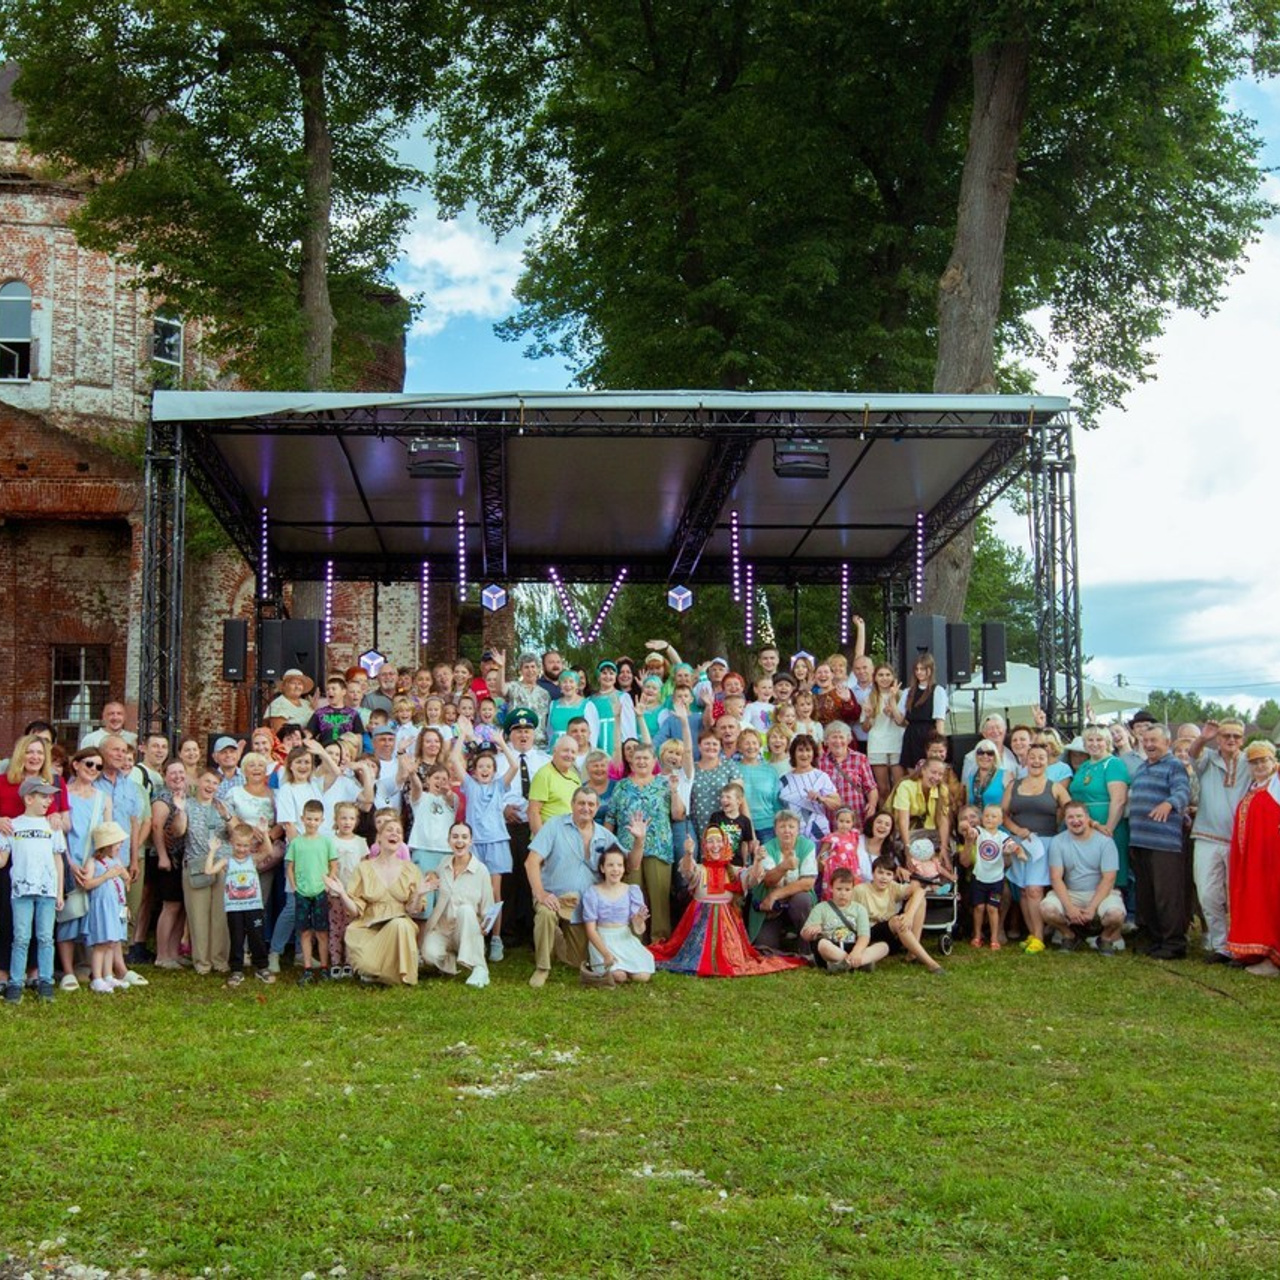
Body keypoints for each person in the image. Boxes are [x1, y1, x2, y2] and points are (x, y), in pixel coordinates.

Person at [649, 827, 807, 977]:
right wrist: (689, 853)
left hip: (728, 926)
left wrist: (758, 860)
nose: (715, 845)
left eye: (718, 841)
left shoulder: (734, 870)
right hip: (698, 923)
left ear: (725, 844)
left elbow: (752, 879)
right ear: (704, 845)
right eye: (710, 841)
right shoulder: (700, 869)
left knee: (731, 958)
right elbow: (688, 872)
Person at [525, 786, 630, 989]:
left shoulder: (604, 836)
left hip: (583, 906)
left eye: (591, 804)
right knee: (546, 914)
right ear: (572, 804)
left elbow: (630, 864)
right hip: (555, 897)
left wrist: (640, 841)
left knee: (576, 961)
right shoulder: (554, 826)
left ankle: (554, 942)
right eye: (581, 803)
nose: (586, 808)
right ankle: (542, 968)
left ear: (597, 807)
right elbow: (531, 862)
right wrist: (541, 893)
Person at [448, 723, 518, 963]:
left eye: (489, 767)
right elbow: (454, 759)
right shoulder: (470, 786)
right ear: (474, 771)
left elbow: (515, 765)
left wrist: (501, 744)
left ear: (493, 770)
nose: (485, 770)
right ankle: (474, 936)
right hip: (475, 845)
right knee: (473, 891)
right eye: (480, 767)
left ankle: (496, 938)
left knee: (495, 892)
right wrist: (463, 736)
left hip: (497, 842)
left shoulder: (499, 786)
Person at [323, 836, 430, 986]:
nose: (393, 834)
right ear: (379, 838)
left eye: (398, 831)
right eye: (389, 831)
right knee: (366, 965)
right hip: (369, 925)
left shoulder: (411, 869)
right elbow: (355, 911)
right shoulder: (363, 868)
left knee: (400, 924)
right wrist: (342, 894)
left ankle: (400, 975)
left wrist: (419, 894)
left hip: (399, 926)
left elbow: (413, 910)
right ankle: (376, 972)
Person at [1188, 720, 1251, 964]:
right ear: (1218, 738)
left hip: (1239, 839)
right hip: (1207, 835)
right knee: (1207, 892)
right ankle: (1220, 944)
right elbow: (1192, 755)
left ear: (1243, 739)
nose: (1231, 740)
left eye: (1236, 736)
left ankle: (1241, 944)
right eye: (1226, 735)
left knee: (1238, 895)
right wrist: (1203, 737)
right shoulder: (1208, 759)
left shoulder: (1249, 761)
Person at [1128, 724, 1192, 960]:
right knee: (1148, 895)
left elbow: (1183, 792)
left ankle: (1174, 943)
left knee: (1167, 895)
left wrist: (1169, 804)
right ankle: (1157, 939)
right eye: (1145, 741)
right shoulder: (1144, 766)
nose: (1149, 745)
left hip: (1163, 844)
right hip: (1141, 841)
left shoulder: (1174, 765)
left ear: (1167, 742)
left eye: (1154, 740)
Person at [0, 777, 66, 1003]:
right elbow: (3, 859)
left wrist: (58, 892)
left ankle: (46, 981)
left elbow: (58, 860)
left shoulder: (52, 826)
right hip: (21, 892)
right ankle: (15, 983)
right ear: (28, 798)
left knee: (46, 937)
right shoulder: (13, 825)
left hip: (47, 891)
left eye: (50, 796)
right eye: (44, 796)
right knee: (21, 937)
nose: (49, 801)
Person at [1002, 743, 1069, 955]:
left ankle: (1039, 936)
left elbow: (1071, 809)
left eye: (1042, 757)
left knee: (1034, 889)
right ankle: (1032, 934)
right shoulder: (1014, 785)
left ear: (1048, 761)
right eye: (1033, 757)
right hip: (1020, 843)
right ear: (1026, 760)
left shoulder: (1055, 787)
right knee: (1023, 889)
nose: (1037, 761)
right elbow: (1003, 813)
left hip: (1044, 843)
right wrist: (1016, 829)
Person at [606, 743, 676, 943]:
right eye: (638, 758)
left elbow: (678, 814)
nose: (642, 762)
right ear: (631, 762)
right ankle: (634, 939)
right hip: (628, 848)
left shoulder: (664, 784)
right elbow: (611, 817)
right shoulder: (622, 786)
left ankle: (659, 940)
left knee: (659, 896)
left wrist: (675, 791)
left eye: (646, 758)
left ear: (654, 761)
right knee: (632, 896)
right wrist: (607, 847)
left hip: (658, 846)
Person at [1041, 801, 1126, 952]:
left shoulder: (1105, 842)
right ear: (1065, 820)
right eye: (1070, 817)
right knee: (1047, 909)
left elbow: (1109, 879)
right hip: (1071, 892)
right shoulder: (1058, 841)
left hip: (1100, 893)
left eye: (1079, 816)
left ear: (1088, 818)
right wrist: (1069, 907)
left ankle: (1105, 939)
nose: (1075, 821)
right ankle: (1069, 936)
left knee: (1116, 915)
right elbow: (1056, 878)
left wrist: (1092, 908)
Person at [1226, 741, 1280, 976]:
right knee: (1256, 902)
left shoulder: (1277, 783)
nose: (1259, 765)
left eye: (1264, 760)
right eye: (1254, 761)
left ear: (1273, 760)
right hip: (1252, 860)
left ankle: (1274, 959)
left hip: (1272, 859)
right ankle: (1257, 951)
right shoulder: (1253, 786)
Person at [421, 821, 496, 988]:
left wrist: (485, 926)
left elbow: (489, 908)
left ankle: (479, 968)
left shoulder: (481, 871)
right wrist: (431, 874)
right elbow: (434, 877)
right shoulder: (444, 864)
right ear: (449, 841)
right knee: (428, 955)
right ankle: (455, 962)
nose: (459, 841)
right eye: (455, 837)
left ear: (471, 842)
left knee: (465, 910)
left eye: (464, 837)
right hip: (444, 929)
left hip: (467, 929)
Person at [205, 823, 276, 988]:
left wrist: (265, 833)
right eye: (238, 845)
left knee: (256, 936)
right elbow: (209, 871)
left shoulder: (253, 859)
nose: (242, 849)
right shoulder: (227, 861)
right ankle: (236, 970)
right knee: (236, 938)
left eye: (245, 845)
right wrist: (212, 851)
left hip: (253, 906)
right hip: (234, 908)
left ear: (250, 845)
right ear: (231, 842)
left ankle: (262, 967)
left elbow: (270, 852)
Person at [852, 854, 943, 974]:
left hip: (892, 929)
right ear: (873, 873)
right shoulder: (860, 890)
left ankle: (912, 954)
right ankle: (931, 964)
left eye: (888, 874)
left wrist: (909, 915)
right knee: (897, 921)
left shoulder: (892, 887)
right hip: (871, 931)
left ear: (893, 876)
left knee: (920, 901)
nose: (884, 878)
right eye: (880, 873)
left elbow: (920, 890)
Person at [747, 809, 818, 957]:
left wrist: (775, 895)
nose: (787, 831)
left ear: (798, 829)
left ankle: (806, 948)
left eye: (791, 827)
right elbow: (768, 881)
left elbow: (808, 883)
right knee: (764, 946)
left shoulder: (807, 846)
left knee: (802, 900)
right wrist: (784, 866)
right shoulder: (767, 847)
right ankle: (785, 944)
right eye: (782, 827)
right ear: (775, 830)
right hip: (772, 908)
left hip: (792, 901)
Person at [181, 767, 230, 977]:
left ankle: (219, 959)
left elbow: (235, 832)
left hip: (222, 863)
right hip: (197, 863)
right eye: (207, 781)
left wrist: (227, 816)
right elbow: (179, 831)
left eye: (215, 783)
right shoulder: (187, 805)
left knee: (221, 915)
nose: (210, 786)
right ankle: (202, 962)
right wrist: (180, 811)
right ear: (198, 782)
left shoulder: (222, 806)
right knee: (198, 915)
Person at [582, 847, 655, 984]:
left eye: (619, 865)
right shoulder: (593, 892)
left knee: (643, 977)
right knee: (619, 976)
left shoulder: (632, 890)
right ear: (603, 868)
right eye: (610, 865)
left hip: (624, 938)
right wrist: (605, 954)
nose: (615, 869)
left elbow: (640, 930)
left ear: (623, 868)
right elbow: (591, 930)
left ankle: (628, 969)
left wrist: (639, 921)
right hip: (603, 940)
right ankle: (617, 970)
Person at [286, 799, 338, 984]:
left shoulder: (326, 842)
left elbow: (333, 864)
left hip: (320, 893)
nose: (312, 823)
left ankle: (324, 967)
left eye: (316, 819)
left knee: (322, 932)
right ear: (302, 819)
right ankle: (307, 967)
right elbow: (290, 866)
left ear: (322, 820)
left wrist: (327, 884)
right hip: (302, 893)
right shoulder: (296, 843)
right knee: (305, 932)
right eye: (309, 819)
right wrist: (294, 886)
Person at [800, 866, 889, 973]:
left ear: (852, 890)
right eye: (839, 889)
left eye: (847, 889)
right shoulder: (821, 908)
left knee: (883, 947)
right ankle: (859, 964)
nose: (843, 893)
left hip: (853, 946)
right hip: (832, 948)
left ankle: (845, 965)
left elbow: (864, 936)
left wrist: (856, 952)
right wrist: (813, 930)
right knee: (822, 944)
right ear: (831, 888)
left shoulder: (859, 909)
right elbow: (804, 935)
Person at [961, 804, 1022, 949]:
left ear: (1001, 821)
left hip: (996, 881)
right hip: (979, 880)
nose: (989, 819)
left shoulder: (1003, 836)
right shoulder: (980, 832)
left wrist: (1017, 851)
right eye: (987, 816)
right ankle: (977, 935)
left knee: (993, 908)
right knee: (979, 907)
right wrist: (968, 830)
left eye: (994, 816)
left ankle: (994, 938)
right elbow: (972, 832)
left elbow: (1012, 846)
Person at [148, 760, 191, 969]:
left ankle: (174, 953)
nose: (177, 776)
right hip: (168, 858)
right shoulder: (162, 796)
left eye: (181, 772)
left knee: (181, 906)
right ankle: (163, 954)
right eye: (173, 773)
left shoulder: (186, 796)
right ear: (165, 775)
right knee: (170, 905)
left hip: (183, 857)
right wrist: (163, 856)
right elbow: (156, 826)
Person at [82, 820, 131, 994]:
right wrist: (105, 876)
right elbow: (87, 884)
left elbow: (125, 880)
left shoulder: (116, 860)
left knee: (112, 942)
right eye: (118, 842)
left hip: (115, 905)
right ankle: (96, 978)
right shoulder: (93, 863)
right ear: (107, 845)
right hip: (102, 907)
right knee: (102, 943)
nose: (120, 845)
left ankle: (108, 975)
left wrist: (125, 876)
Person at [777, 734, 839, 842]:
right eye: (800, 750)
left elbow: (837, 804)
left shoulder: (821, 777)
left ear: (813, 753)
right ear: (793, 753)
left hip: (818, 833)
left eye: (808, 750)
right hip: (792, 836)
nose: (804, 754)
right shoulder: (783, 779)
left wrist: (822, 798)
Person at [817, 722, 878, 831]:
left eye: (841, 737)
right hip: (830, 818)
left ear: (848, 740)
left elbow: (871, 787)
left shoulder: (860, 759)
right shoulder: (820, 761)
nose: (838, 741)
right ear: (826, 741)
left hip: (855, 816)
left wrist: (872, 805)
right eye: (834, 737)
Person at [899, 653, 948, 770]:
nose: (919, 672)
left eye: (922, 669)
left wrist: (939, 745)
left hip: (928, 736)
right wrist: (891, 701)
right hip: (911, 736)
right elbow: (900, 720)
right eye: (917, 669)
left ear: (930, 670)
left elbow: (939, 721)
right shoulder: (908, 692)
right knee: (912, 773)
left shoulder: (938, 691)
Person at [527, 735, 582, 835]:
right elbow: (533, 812)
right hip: (549, 840)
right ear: (554, 751)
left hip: (570, 839)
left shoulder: (575, 778)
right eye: (565, 750)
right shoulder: (543, 775)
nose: (569, 755)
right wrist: (542, 843)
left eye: (573, 752)